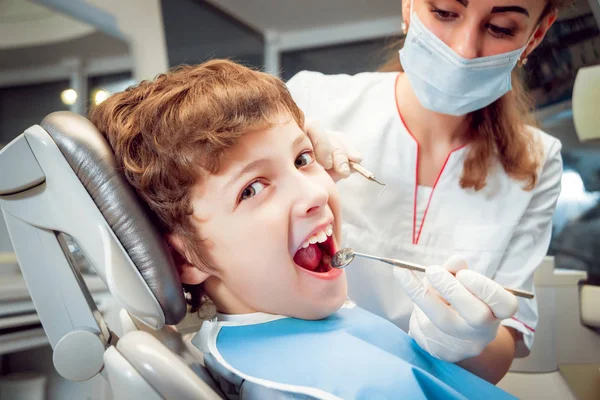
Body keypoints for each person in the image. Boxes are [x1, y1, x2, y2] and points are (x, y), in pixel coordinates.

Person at [89, 60, 518, 399]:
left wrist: (454, 347)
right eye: (252, 189)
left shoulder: (296, 328)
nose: (315, 192)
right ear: (186, 257)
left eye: (302, 159)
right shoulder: (312, 385)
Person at [286, 0, 571, 383]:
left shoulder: (539, 162)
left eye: (501, 27)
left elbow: (507, 344)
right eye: (445, 11)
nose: (464, 50)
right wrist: (284, 172)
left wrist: (468, 341)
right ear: (408, 6)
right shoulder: (311, 103)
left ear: (536, 35)